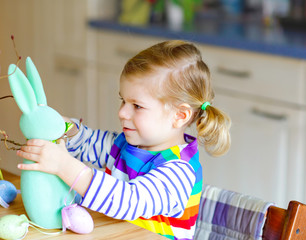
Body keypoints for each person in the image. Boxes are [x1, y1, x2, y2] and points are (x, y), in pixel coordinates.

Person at [16, 40, 231, 240]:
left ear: (179, 116)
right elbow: (86, 141)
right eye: (123, 101)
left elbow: (128, 200)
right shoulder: (125, 145)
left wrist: (64, 167)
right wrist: (60, 125)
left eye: (137, 106)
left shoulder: (179, 171)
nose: (122, 112)